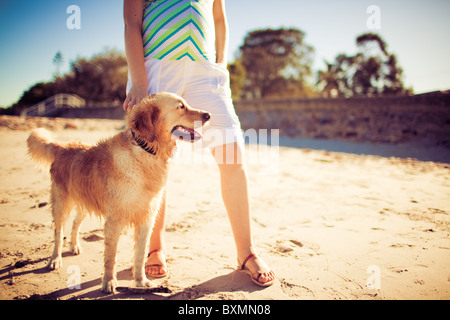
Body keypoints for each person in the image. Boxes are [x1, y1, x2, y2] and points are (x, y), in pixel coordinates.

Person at [123, 0, 275, 286]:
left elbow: (219, 18)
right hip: (157, 67)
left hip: (205, 71)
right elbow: (132, 23)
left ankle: (247, 252)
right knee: (153, 164)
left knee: (232, 154)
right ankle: (155, 247)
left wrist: (221, 65)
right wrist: (140, 82)